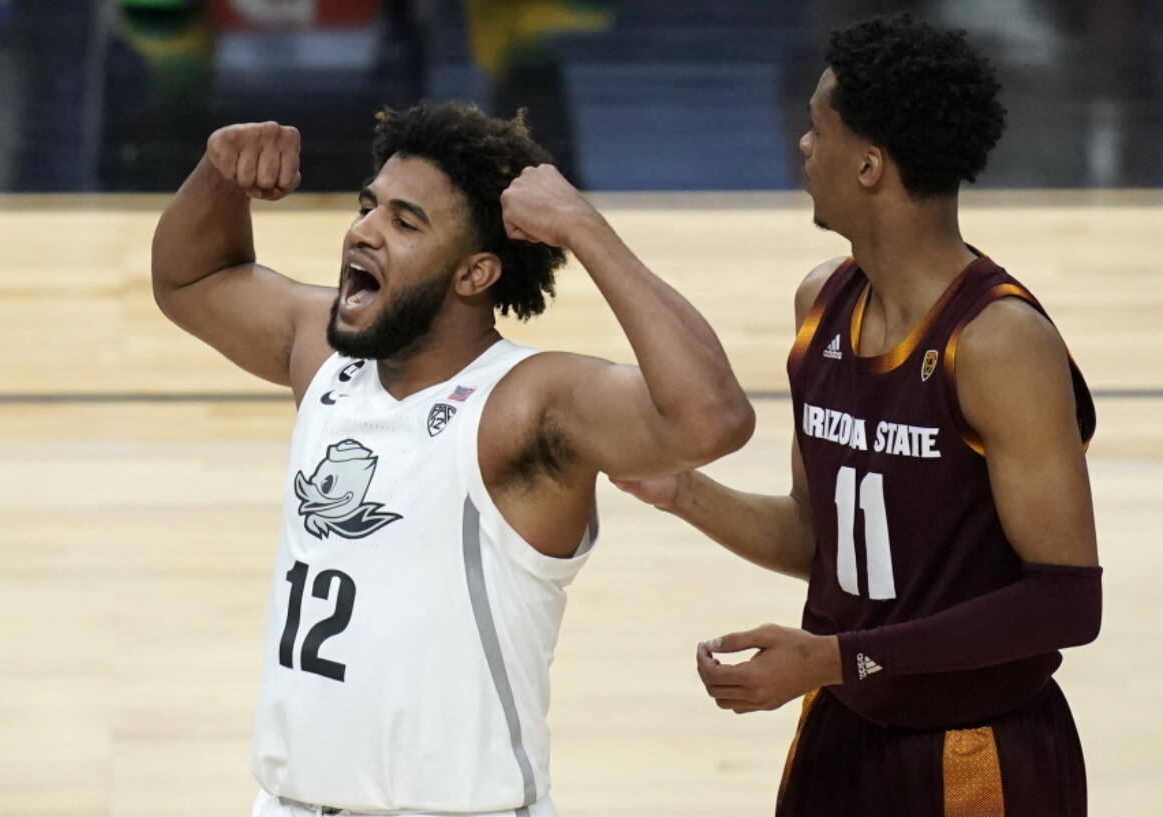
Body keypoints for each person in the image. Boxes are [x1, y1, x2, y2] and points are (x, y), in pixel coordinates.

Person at [150, 102, 754, 817]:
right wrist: (220, 174)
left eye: (405, 223)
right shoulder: (322, 354)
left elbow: (713, 418)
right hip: (288, 803)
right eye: (367, 206)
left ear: (475, 274)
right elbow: (188, 281)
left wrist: (585, 229)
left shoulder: (527, 405)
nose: (364, 231)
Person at [614, 15, 1100, 817]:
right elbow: (824, 541)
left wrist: (837, 657)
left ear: (871, 165)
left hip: (975, 752)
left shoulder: (999, 342)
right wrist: (684, 491)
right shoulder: (822, 303)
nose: (804, 146)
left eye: (818, 129)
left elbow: (1067, 602)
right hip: (841, 730)